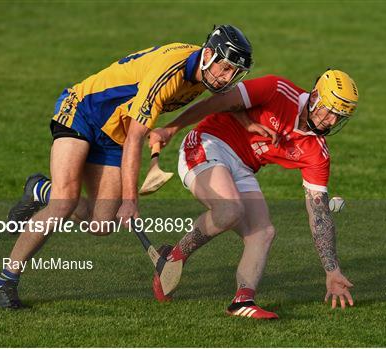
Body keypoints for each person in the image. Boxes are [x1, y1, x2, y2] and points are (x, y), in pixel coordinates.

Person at [0, 25, 254, 309]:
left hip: (114, 134)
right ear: (207, 55)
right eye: (225, 68)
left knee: (101, 224)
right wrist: (131, 201)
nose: (227, 77)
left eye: (234, 73)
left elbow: (222, 103)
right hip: (82, 110)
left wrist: (176, 128)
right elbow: (135, 139)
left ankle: (41, 190)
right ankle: (6, 280)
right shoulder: (170, 73)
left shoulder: (205, 77)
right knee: (64, 202)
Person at [149, 70, 359, 319]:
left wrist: (332, 271)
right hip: (208, 143)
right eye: (330, 111)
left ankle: (242, 301)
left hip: (242, 167)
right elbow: (218, 101)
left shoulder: (316, 152)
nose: (332, 122)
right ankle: (173, 258)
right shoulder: (278, 89)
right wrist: (170, 130)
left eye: (340, 117)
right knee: (229, 210)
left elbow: (320, 214)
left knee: (263, 232)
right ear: (315, 97)